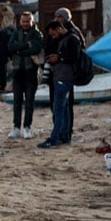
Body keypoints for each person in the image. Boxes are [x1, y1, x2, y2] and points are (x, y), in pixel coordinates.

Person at [39, 19, 80, 148]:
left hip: (64, 77)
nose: (53, 37)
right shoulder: (64, 39)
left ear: (58, 28)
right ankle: (64, 136)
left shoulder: (72, 38)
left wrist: (59, 58)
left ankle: (55, 138)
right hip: (61, 77)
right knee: (65, 108)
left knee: (58, 109)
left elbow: (74, 57)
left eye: (53, 34)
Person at [43, 7, 85, 127]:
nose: (57, 19)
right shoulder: (54, 31)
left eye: (59, 16)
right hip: (55, 73)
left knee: (65, 104)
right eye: (55, 16)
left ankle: (66, 131)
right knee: (55, 104)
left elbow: (76, 52)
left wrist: (60, 57)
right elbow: (47, 46)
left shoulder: (72, 32)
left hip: (66, 73)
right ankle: (59, 129)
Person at [6, 11, 43, 138]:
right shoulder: (16, 33)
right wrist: (26, 45)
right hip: (17, 72)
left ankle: (27, 127)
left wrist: (19, 50)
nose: (25, 24)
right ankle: (16, 127)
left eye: (28, 21)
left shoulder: (37, 34)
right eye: (23, 21)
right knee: (17, 101)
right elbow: (10, 47)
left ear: (32, 22)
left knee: (29, 102)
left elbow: (36, 48)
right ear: (20, 22)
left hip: (31, 72)